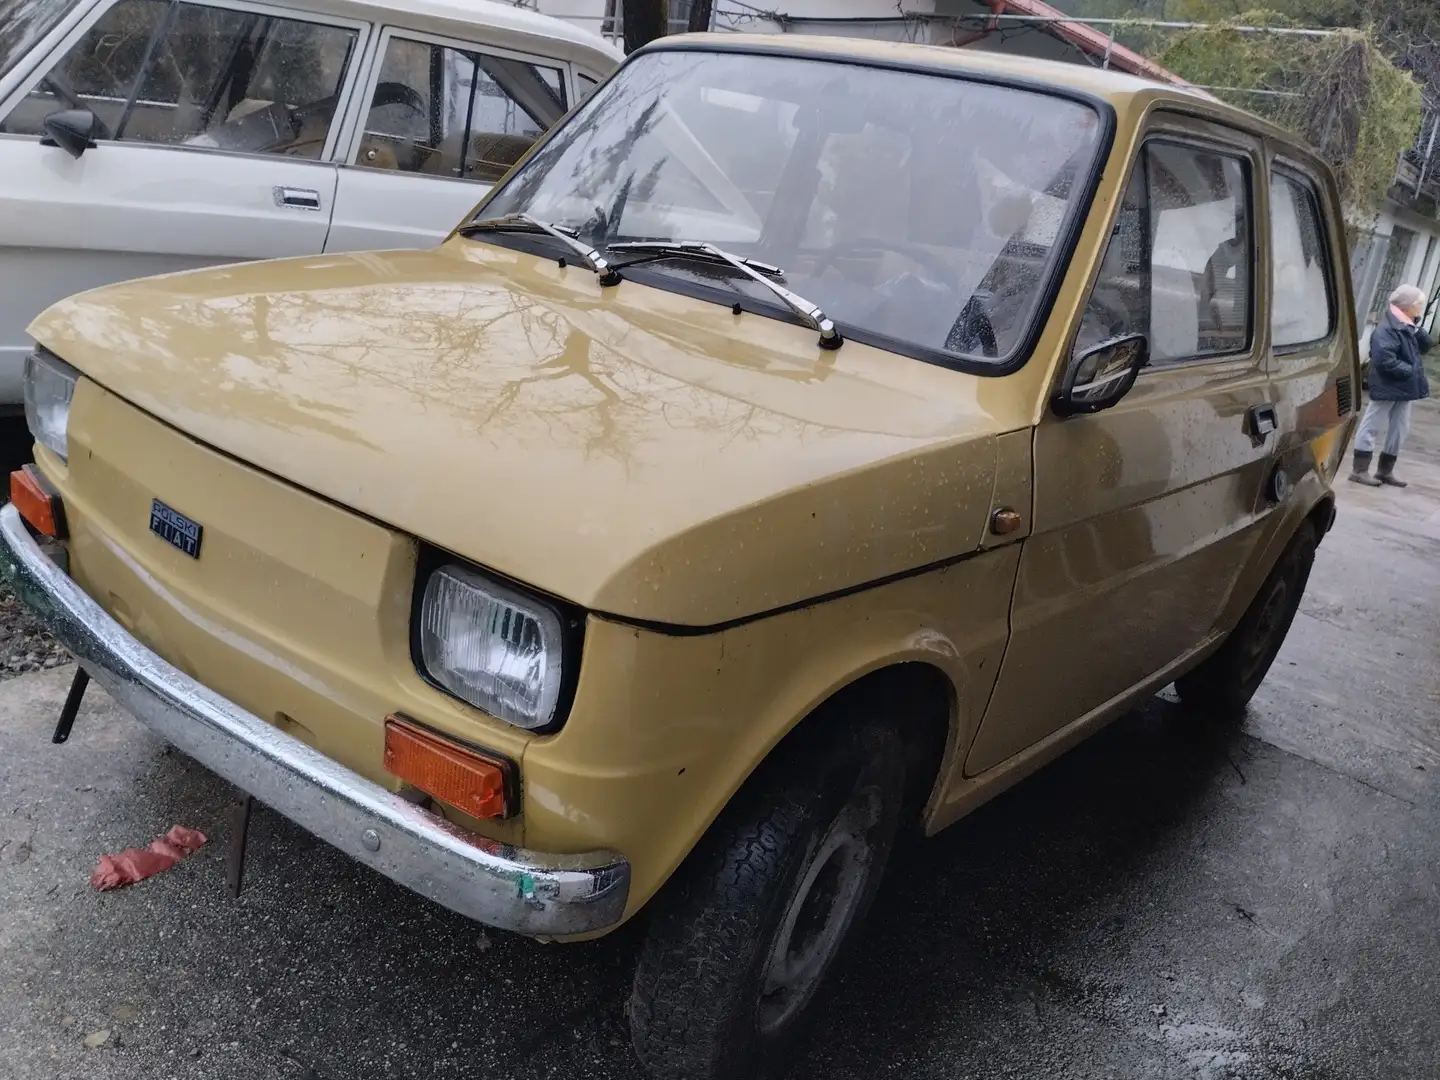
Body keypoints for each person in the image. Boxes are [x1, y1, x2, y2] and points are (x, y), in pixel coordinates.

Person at [1351, 284, 1433, 488]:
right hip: (1389, 386)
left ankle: (1385, 471)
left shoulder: (1407, 325)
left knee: (1399, 429)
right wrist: (1411, 371)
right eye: (1419, 304)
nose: (1421, 308)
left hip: (1405, 388)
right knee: (1372, 426)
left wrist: (1417, 327)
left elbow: (1426, 346)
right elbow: (1384, 360)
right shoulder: (1387, 329)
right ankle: (1359, 470)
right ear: (1406, 307)